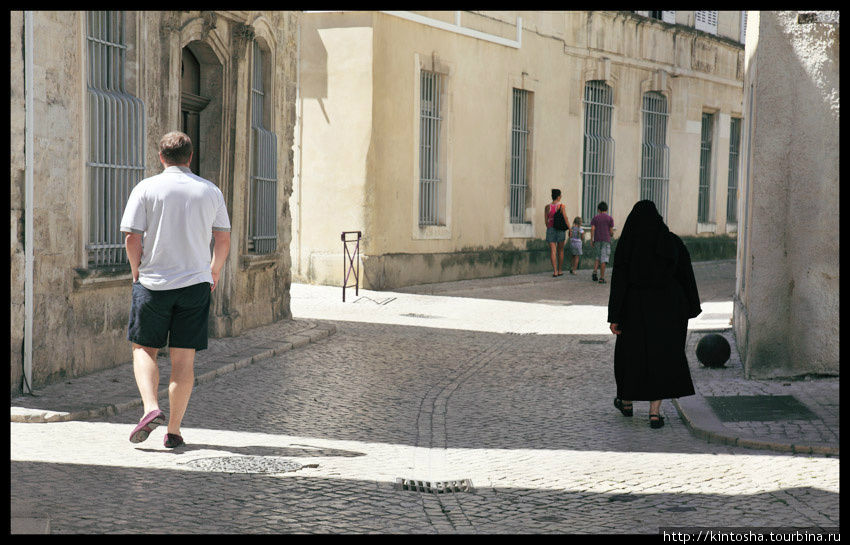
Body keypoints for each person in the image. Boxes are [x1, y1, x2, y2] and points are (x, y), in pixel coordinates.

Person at [120, 131, 231, 448]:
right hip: (196, 284)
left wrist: (136, 270)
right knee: (184, 361)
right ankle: (174, 430)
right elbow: (222, 239)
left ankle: (150, 408)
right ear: (190, 157)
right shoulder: (210, 191)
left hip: (153, 283)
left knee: (143, 348)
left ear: (160, 157)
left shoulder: (146, 188)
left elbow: (132, 237)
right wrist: (214, 270)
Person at [607, 200, 702, 429]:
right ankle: (654, 413)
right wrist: (689, 308)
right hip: (669, 310)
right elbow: (686, 277)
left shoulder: (628, 245)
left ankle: (627, 402)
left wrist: (615, 316)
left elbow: (619, 280)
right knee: (663, 358)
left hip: (634, 309)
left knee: (631, 355)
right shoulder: (672, 243)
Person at [544, 189, 569, 277]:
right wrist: (570, 228)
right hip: (560, 229)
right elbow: (565, 218)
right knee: (561, 250)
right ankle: (560, 270)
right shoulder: (561, 206)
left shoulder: (547, 207)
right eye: (560, 195)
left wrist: (550, 227)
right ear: (558, 197)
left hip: (551, 229)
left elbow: (546, 221)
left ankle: (555, 271)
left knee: (553, 251)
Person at [590, 201, 614, 283]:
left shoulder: (595, 218)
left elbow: (592, 229)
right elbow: (611, 232)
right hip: (606, 240)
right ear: (606, 209)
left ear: (599, 209)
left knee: (597, 257)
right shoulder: (610, 218)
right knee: (604, 258)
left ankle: (595, 272)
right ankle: (602, 278)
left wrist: (592, 239)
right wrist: (611, 234)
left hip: (597, 240)